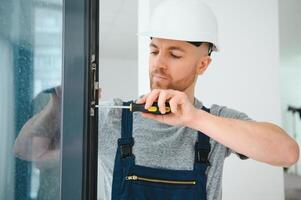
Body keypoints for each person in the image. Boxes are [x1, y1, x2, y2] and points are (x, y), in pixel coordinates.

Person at [14, 0, 299, 200]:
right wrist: (59, 104)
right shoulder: (113, 117)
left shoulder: (216, 123)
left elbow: (287, 153)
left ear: (203, 65)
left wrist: (194, 118)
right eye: (154, 50)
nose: (158, 64)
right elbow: (27, 151)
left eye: (174, 54)